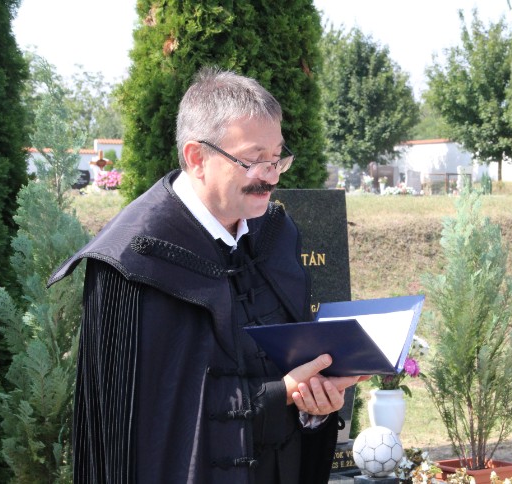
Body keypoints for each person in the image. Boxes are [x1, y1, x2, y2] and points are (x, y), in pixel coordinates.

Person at [48, 67, 364, 483]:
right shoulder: (133, 262)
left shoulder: (276, 234)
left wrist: (314, 405)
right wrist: (277, 395)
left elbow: (292, 366)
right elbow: (142, 429)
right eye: (254, 160)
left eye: (277, 158)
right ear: (197, 158)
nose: (271, 176)